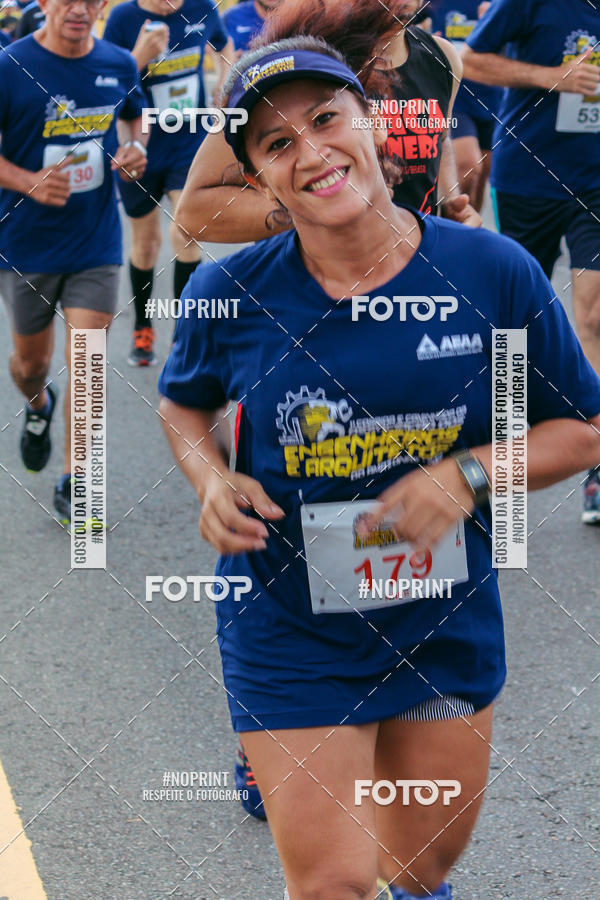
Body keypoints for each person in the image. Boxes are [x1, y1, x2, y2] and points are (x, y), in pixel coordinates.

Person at [158, 37, 600, 900]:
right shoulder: (230, 293)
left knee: (420, 866)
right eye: (278, 145)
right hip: (288, 624)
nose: (312, 152)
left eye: (326, 119)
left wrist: (464, 475)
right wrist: (210, 479)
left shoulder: (490, 271)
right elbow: (182, 406)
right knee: (333, 885)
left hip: (443, 626)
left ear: (372, 122)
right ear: (259, 177)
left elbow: (581, 430)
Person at [0, 0, 146, 525]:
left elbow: (134, 120)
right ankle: (39, 406)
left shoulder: (118, 63)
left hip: (95, 241)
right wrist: (26, 182)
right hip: (24, 243)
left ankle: (76, 481)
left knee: (87, 361)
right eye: (68, 0)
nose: (80, 10)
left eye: (92, 1)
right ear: (44, 3)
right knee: (30, 366)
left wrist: (135, 151)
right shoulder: (10, 65)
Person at [173, 0, 481, 248]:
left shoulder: (443, 58)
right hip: (314, 285)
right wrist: (315, 206)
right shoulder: (298, 60)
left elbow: (440, 137)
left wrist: (450, 201)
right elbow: (194, 212)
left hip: (412, 269)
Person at [462, 0, 600, 523]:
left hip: (597, 181)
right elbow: (471, 59)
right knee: (514, 327)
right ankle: (498, 463)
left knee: (594, 317)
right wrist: (550, 77)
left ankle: (596, 471)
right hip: (530, 176)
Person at [103, 0, 233, 366]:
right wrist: (140, 57)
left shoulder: (202, 7)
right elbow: (106, 84)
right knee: (145, 244)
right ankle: (143, 328)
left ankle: (183, 334)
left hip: (188, 143)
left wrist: (225, 81)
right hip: (138, 144)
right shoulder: (122, 18)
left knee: (187, 231)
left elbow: (223, 45)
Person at [426, 0, 500, 211]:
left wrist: (495, 21)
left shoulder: (500, 5)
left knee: (480, 176)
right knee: (468, 165)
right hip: (455, 96)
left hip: (492, 97)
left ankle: (468, 233)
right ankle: (453, 223)